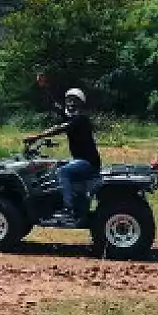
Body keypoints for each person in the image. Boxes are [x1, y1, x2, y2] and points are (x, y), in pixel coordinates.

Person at [24, 81, 102, 225]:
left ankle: (69, 209)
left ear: (80, 104)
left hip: (88, 163)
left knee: (63, 172)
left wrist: (36, 137)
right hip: (82, 160)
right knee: (56, 166)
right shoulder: (72, 118)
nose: (71, 103)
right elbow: (55, 106)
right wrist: (45, 87)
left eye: (75, 101)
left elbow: (58, 129)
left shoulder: (81, 119)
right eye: (69, 100)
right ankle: (61, 202)